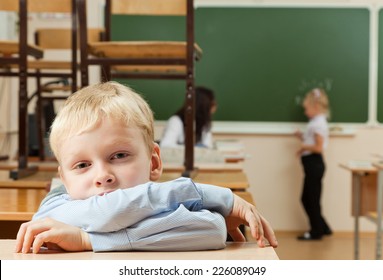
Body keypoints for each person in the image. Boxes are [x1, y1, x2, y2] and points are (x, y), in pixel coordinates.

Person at [15, 81, 278, 254]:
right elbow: (110, 211)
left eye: (119, 155)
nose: (103, 176)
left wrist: (91, 241)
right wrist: (209, 196)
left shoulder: (157, 202)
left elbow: (212, 229)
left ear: (153, 162)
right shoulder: (55, 209)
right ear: (63, 178)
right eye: (82, 165)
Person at [295, 88, 332, 241]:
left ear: (315, 106)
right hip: (312, 165)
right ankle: (324, 227)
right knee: (311, 198)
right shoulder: (316, 122)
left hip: (314, 164)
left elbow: (318, 147)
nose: (305, 112)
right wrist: (301, 137)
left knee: (310, 199)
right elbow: (313, 141)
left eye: (306, 108)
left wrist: (304, 147)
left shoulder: (319, 124)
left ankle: (316, 231)